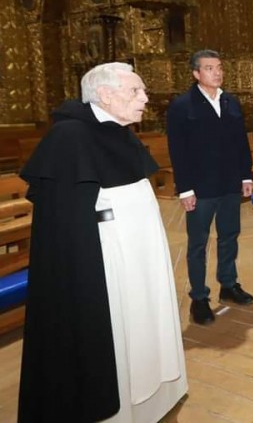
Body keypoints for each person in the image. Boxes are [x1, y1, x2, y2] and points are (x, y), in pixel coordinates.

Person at [19, 62, 187, 422]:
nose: (145, 98)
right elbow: (65, 227)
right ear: (106, 95)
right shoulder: (69, 138)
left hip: (141, 253)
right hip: (109, 261)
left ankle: (152, 397)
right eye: (135, 91)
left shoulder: (119, 130)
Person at [167, 50, 253, 326]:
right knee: (198, 244)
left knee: (229, 236)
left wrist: (246, 176)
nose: (217, 72)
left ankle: (228, 285)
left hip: (230, 184)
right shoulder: (182, 106)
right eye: (209, 68)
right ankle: (199, 298)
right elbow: (178, 151)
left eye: (219, 67)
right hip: (201, 188)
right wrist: (185, 190)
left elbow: (241, 143)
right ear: (196, 74)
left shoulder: (231, 102)